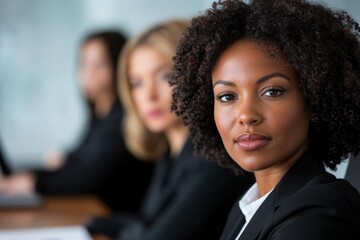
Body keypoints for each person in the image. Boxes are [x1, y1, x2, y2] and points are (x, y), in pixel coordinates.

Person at [170, 0, 360, 239]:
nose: (246, 115)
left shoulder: (320, 211)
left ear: (314, 99)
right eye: (227, 96)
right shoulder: (245, 208)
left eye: (272, 92)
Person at [88, 19, 253, 240]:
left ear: (195, 76)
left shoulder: (213, 159)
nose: (148, 96)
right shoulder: (171, 150)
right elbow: (149, 223)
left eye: (165, 77)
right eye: (137, 83)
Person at [0, 31, 154, 213]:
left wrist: (33, 180)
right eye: (83, 64)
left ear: (119, 66)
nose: (88, 74)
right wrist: (63, 160)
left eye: (98, 65)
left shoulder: (123, 120)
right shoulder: (99, 114)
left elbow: (87, 174)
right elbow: (84, 158)